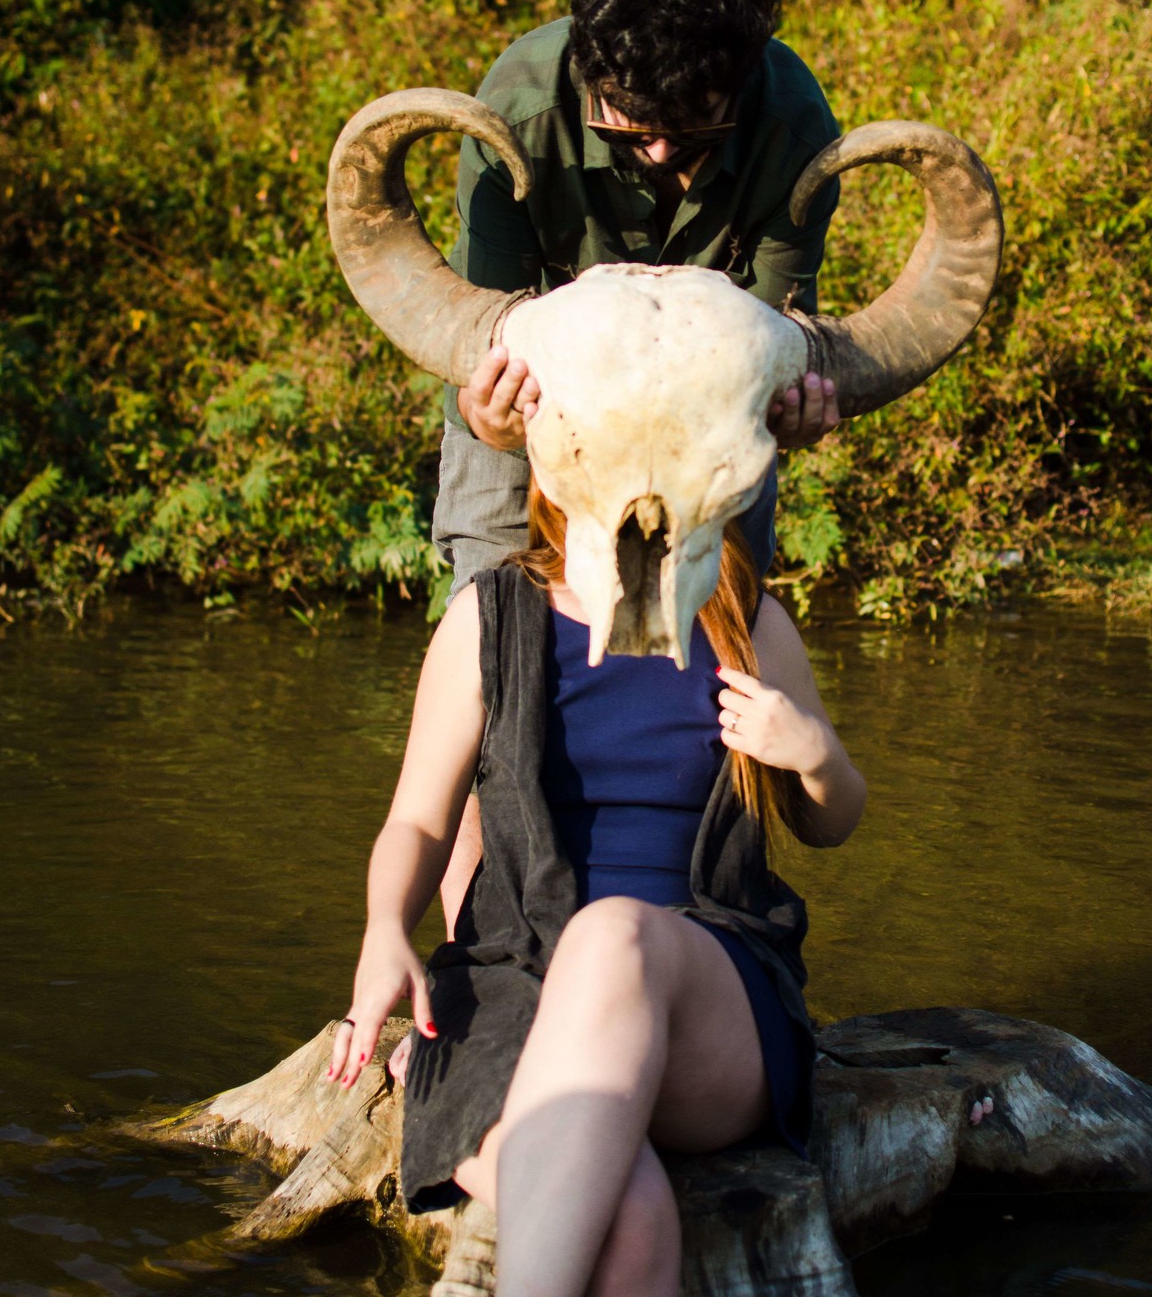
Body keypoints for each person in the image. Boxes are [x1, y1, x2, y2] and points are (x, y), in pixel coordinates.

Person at [326, 480, 867, 1297]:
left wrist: (814, 754)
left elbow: (834, 823)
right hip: (513, 984)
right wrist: (384, 931)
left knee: (612, 934)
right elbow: (419, 821)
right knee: (634, 1219)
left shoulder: (744, 615)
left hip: (705, 993)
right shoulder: (491, 614)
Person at [432, 0, 844, 927]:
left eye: (694, 129)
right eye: (630, 121)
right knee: (497, 665)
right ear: (585, 67)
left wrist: (791, 412)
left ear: (742, 82)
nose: (661, 153)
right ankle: (478, 969)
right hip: (540, 398)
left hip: (701, 414)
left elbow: (777, 321)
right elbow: (487, 330)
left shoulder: (789, 117)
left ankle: (711, 920)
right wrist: (492, 427)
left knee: (721, 635)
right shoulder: (519, 103)